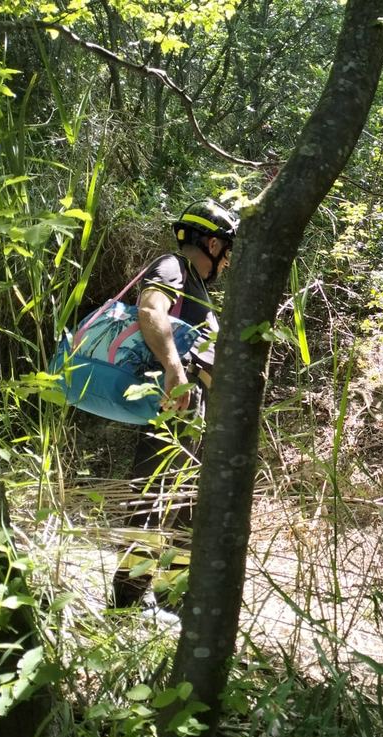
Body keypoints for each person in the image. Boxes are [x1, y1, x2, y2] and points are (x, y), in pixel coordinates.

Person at [111, 198, 238, 609]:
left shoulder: (197, 286)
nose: (229, 263)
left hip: (194, 409)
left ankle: (171, 597)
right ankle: (127, 603)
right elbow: (151, 309)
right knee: (152, 497)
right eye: (228, 251)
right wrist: (174, 370)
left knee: (185, 503)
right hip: (174, 404)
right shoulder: (173, 266)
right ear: (214, 245)